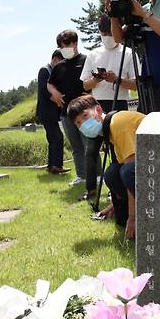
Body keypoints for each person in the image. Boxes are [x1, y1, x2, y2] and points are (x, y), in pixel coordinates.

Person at [67, 94, 145, 239]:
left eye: (84, 116)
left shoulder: (118, 124)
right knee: (112, 173)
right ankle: (124, 213)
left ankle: (143, 218)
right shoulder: (110, 131)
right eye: (78, 123)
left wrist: (133, 218)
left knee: (126, 171)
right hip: (152, 164)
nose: (82, 124)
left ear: (98, 109)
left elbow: (133, 174)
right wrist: (114, 205)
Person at [80, 15, 138, 200]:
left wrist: (117, 80)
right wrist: (97, 79)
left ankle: (118, 190)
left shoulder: (128, 53)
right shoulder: (93, 54)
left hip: (119, 104)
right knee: (91, 150)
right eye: (103, 33)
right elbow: (85, 85)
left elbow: (136, 84)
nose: (107, 36)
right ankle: (90, 189)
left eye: (110, 32)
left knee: (117, 150)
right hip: (96, 106)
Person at [48, 30, 93, 187]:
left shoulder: (87, 60)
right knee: (76, 146)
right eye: (60, 46)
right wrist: (54, 92)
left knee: (90, 145)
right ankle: (81, 175)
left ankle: (97, 174)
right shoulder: (59, 66)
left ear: (75, 43)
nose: (63, 48)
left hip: (86, 112)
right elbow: (50, 83)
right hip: (66, 113)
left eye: (65, 45)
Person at [37, 49, 70, 174]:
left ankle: (53, 166)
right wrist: (57, 100)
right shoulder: (45, 70)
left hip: (51, 112)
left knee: (53, 138)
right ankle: (56, 166)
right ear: (55, 59)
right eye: (61, 62)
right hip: (46, 111)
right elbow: (43, 91)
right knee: (57, 137)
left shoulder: (52, 71)